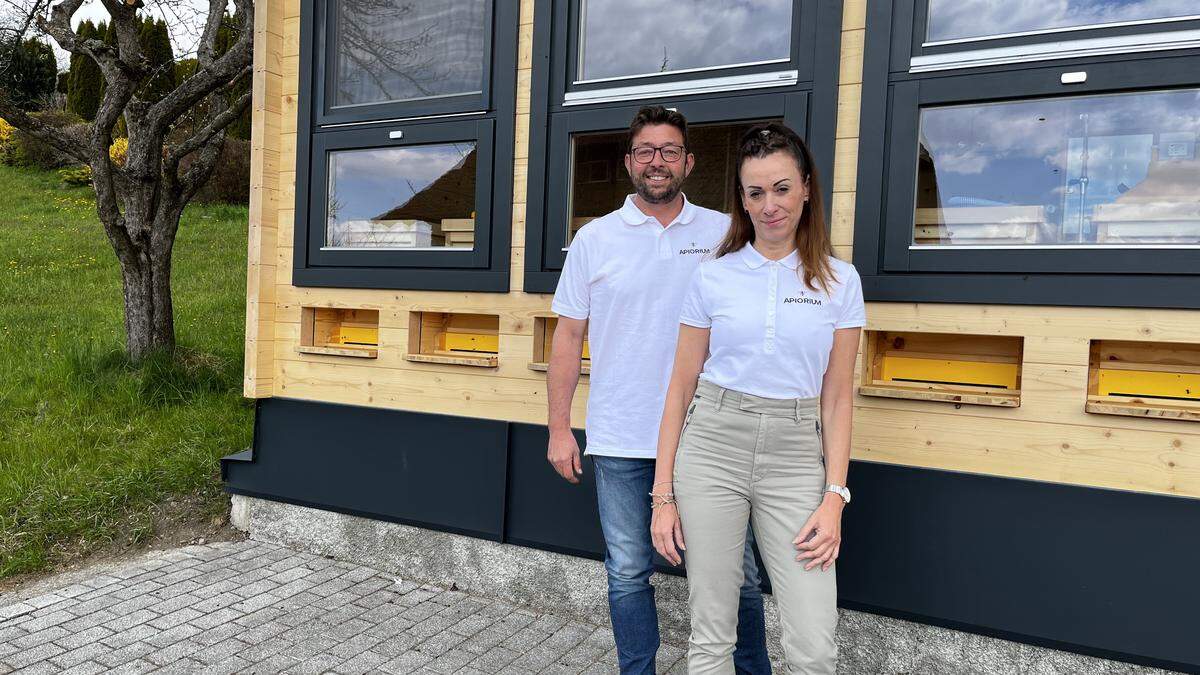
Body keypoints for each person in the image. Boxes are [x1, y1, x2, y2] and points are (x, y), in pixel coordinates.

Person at [547, 105, 772, 675]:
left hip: (709, 436)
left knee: (736, 572)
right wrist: (558, 427)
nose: (657, 161)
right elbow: (568, 337)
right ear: (628, 162)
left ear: (689, 162)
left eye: (669, 151)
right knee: (626, 570)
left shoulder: (724, 233)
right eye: (646, 150)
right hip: (621, 437)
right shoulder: (593, 239)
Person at [650, 122, 864, 674]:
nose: (770, 205)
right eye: (755, 192)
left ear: (808, 187)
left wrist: (835, 495)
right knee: (711, 633)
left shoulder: (841, 281)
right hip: (714, 444)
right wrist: (663, 495)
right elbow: (680, 388)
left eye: (782, 188)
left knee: (814, 644)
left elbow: (837, 398)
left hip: (796, 458)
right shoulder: (713, 276)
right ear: (742, 199)